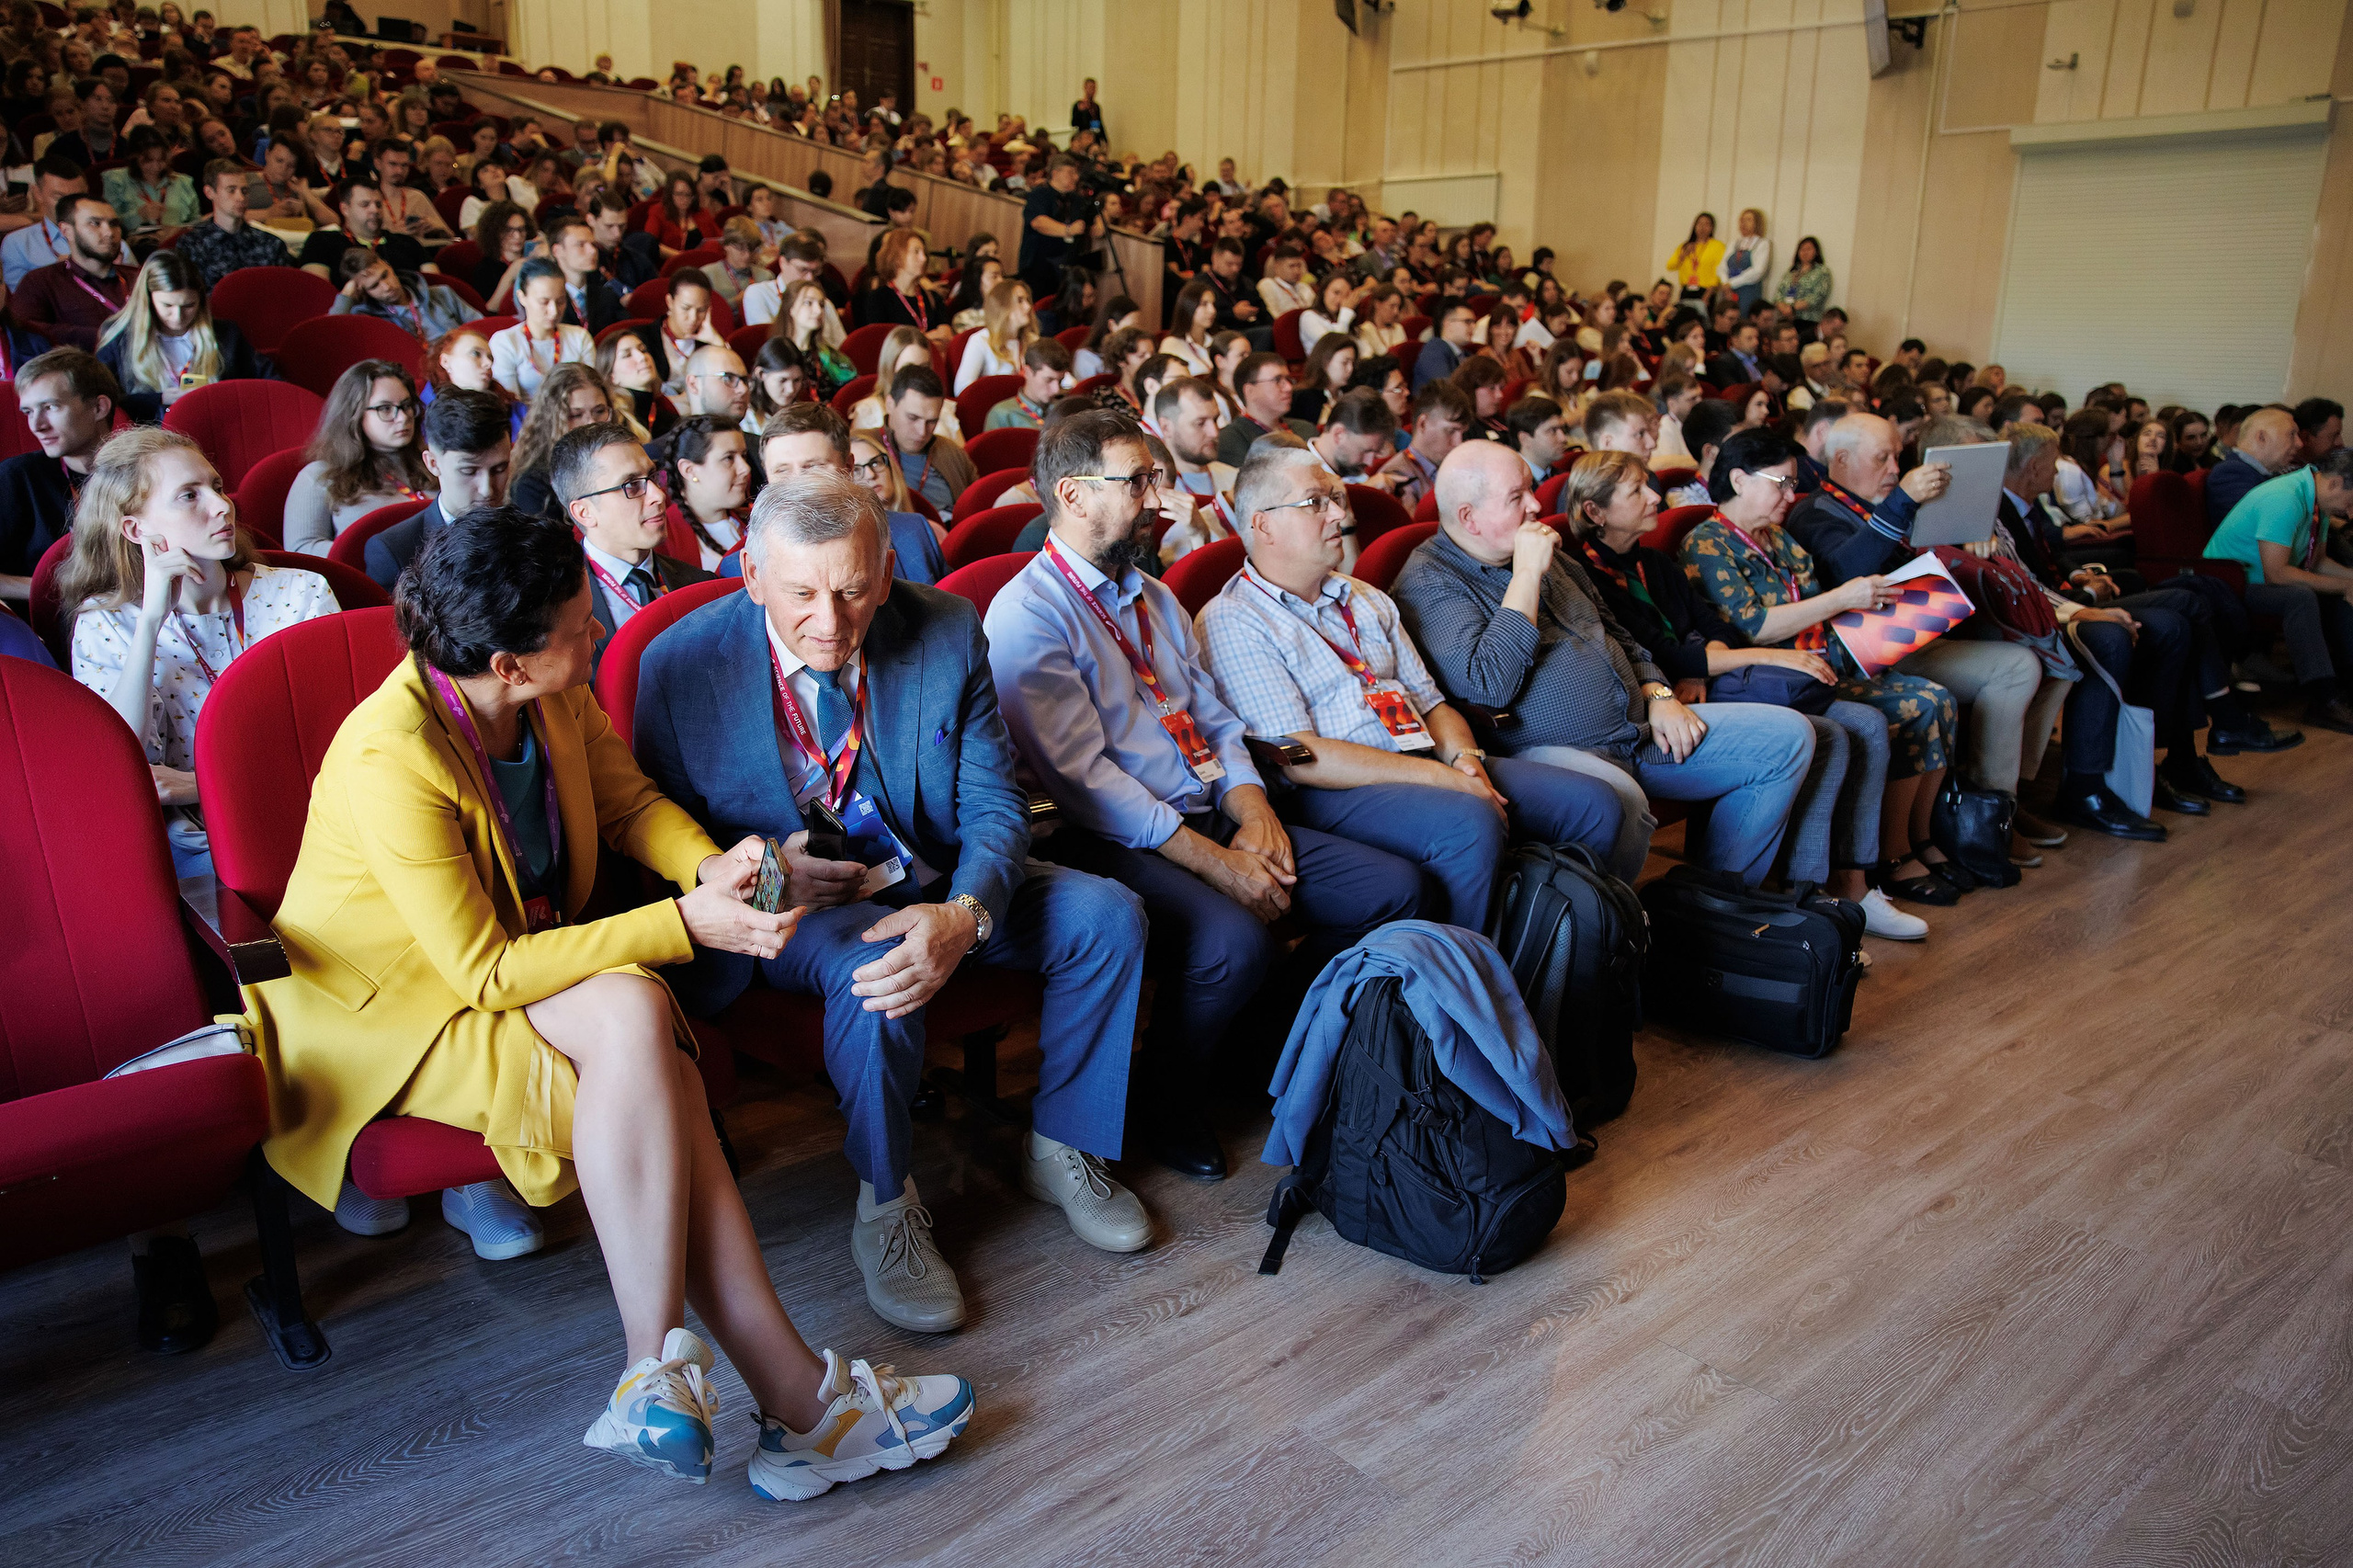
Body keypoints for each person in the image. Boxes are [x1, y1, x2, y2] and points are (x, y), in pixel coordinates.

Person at [244, 503, 972, 1498]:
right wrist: (687, 924)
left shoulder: (548, 697)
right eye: (579, 626)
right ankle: (799, 1404)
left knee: (633, 1010)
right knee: (655, 1048)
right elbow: (484, 974)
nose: (598, 635)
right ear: (505, 662)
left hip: (521, 963)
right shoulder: (389, 756)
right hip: (395, 1010)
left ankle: (660, 1371)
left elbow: (629, 803)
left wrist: (712, 868)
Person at [637, 466, 1154, 1331]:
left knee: (1108, 917)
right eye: (800, 592)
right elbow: (662, 843)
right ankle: (887, 1203)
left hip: (933, 876)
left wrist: (967, 915)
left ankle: (1065, 1144)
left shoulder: (947, 628)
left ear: (884, 572)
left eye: (851, 590)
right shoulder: (678, 664)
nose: (829, 622)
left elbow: (993, 804)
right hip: (794, 907)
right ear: (751, 575)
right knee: (880, 966)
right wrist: (769, 871)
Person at [983, 410, 1422, 1178]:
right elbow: (1086, 783)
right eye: (1140, 480)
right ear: (1074, 496)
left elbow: (1215, 720)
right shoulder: (1029, 615)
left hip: (1211, 806)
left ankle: (1254, 1047)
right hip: (1109, 836)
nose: (1160, 497)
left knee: (1392, 889)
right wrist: (1218, 865)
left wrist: (1253, 812)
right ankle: (1166, 1094)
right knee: (1233, 940)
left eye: (1157, 477)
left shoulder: (1151, 596)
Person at [1196, 441, 1623, 929]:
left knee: (1594, 804)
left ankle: (1563, 956)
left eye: (1335, 499)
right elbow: (1304, 758)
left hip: (1421, 762)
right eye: (1316, 502)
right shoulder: (1234, 619)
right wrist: (1446, 780)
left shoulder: (1365, 598)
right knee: (1468, 822)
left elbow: (1433, 705)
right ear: (1263, 524)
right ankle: (1460, 983)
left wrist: (1465, 760)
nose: (1339, 513)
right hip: (1332, 790)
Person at [1392, 440, 1815, 887]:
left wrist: (1658, 692)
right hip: (1544, 753)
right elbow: (1488, 685)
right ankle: (1617, 931)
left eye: (1531, 490)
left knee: (1787, 739)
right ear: (1468, 518)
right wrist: (1526, 577)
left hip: (1639, 730)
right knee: (1618, 798)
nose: (1537, 506)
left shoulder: (1544, 552)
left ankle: (1716, 902)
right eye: (1517, 498)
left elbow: (1619, 634)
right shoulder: (1430, 581)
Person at [1563, 450, 1924, 937]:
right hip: (1650, 711)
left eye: (1651, 485)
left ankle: (1832, 887)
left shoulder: (1651, 562)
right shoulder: (1586, 575)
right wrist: (1759, 658)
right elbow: (1660, 654)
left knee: (1856, 727)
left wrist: (1703, 665)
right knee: (1830, 732)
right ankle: (1761, 899)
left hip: (1699, 688)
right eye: (1637, 491)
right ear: (1595, 512)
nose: (1655, 497)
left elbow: (1715, 631)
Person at [1678, 427, 1964, 912]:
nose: (1792, 495)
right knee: (1896, 712)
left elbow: (1812, 607)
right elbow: (1756, 626)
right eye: (1781, 483)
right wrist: (1844, 597)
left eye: (1793, 484)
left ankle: (1901, 849)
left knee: (1936, 699)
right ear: (1739, 480)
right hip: (1767, 681)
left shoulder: (1778, 537)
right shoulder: (1708, 543)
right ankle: (1860, 875)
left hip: (1819, 664)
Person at [60, 425, 339, 877]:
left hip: (317, 813)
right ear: (136, 528)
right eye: (189, 496)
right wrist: (151, 622)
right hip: (194, 841)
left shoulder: (300, 593)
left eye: (216, 486)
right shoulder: (106, 623)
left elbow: (333, 743)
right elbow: (124, 767)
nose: (221, 506)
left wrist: (199, 785)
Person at [2205, 446, 2353, 733]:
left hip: (2258, 580)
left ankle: (2344, 686)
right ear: (2335, 483)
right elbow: (2277, 574)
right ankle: (2324, 698)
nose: (2350, 512)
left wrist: (2350, 579)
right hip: (2227, 586)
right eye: (2351, 502)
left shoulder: (2317, 500)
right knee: (2300, 597)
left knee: (2337, 594)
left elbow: (2318, 562)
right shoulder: (2284, 498)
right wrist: (2345, 584)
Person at [546, 421, 713, 672]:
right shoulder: (553, 604)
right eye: (632, 485)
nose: (658, 495)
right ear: (584, 512)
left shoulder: (700, 585)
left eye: (653, 477)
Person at [753, 402, 948, 585]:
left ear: (848, 467)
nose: (796, 485)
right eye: (782, 471)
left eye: (813, 468)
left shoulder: (914, 532)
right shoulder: (744, 567)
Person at [362, 389, 513, 590]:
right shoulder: (395, 553)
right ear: (433, 463)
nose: (487, 489)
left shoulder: (533, 535)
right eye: (469, 471)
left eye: (500, 469)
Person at [1, 349, 119, 603]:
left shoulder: (143, 471)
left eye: (50, 407)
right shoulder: (18, 477)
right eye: (29, 412)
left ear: (99, 407)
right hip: (48, 626)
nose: (36, 426)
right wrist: (51, 591)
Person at [283, 359, 432, 554]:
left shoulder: (433, 462)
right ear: (354, 414)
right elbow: (302, 549)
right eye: (385, 409)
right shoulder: (320, 476)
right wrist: (382, 555)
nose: (403, 417)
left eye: (406, 405)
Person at [92, 249, 262, 420]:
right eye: (167, 306)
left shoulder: (227, 334)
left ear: (201, 301)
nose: (178, 317)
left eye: (189, 306)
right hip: (147, 434)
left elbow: (264, 381)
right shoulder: (119, 338)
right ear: (148, 300)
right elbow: (103, 400)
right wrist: (159, 399)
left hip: (215, 424)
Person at [14, 193, 136, 351]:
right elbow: (27, 333)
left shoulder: (138, 277)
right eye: (95, 223)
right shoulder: (40, 282)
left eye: (114, 224)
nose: (109, 233)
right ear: (66, 231)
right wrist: (105, 336)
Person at [507, 362, 624, 524]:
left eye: (599, 411)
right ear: (552, 420)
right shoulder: (531, 485)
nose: (591, 423)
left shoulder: (621, 462)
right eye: (576, 415)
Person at [1153, 376, 1240, 565]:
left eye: (1216, 420)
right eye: (1200, 423)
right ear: (1166, 427)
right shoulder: (1157, 494)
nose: (1214, 432)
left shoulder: (1235, 478)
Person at [174, 155, 294, 287]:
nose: (241, 198)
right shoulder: (192, 245)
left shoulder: (271, 244)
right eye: (231, 190)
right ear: (209, 193)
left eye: (244, 190)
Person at [491, 257, 595, 403]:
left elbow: (591, 393)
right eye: (544, 302)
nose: (553, 311)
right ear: (522, 297)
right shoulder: (505, 342)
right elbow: (511, 405)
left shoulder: (579, 337)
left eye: (560, 302)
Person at [879, 363, 973, 516]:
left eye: (932, 421)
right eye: (913, 418)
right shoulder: (865, 449)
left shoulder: (953, 453)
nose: (922, 432)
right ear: (890, 405)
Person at [332, 248, 479, 343]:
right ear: (363, 292)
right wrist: (346, 297)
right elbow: (331, 335)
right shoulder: (367, 318)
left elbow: (482, 327)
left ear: (388, 265)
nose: (386, 286)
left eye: (385, 275)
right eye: (374, 286)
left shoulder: (442, 294)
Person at [297, 177, 427, 282]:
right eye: (365, 204)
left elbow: (435, 291)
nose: (375, 210)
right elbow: (318, 291)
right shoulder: (321, 242)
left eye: (378, 204)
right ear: (345, 209)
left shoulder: (408, 243)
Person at [1375, 378, 1473, 510]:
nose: (1459, 442)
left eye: (1462, 433)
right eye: (1451, 431)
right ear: (1423, 424)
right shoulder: (1395, 478)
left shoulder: (1459, 468)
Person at [1017, 154, 1103, 301]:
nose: (1075, 178)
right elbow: (1038, 222)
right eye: (1070, 173)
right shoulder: (1039, 194)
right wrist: (1068, 230)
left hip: (1068, 266)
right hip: (1039, 266)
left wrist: (1099, 221)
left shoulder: (1076, 199)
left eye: (1076, 173)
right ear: (1055, 173)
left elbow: (1094, 212)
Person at [2205, 404, 2302, 527]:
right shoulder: (2230, 473)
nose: (2299, 444)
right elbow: (2258, 525)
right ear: (2261, 437)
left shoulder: (2262, 473)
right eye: (2291, 434)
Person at [1215, 351, 1313, 468]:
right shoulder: (1231, 439)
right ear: (1250, 391)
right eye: (1277, 381)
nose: (1288, 387)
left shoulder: (1305, 429)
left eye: (1288, 379)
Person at [101, 125, 199, 242]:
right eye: (148, 161)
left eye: (161, 160)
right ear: (134, 158)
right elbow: (109, 222)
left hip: (178, 243)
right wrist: (139, 216)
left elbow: (195, 221)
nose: (156, 167)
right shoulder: (116, 180)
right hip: (137, 245)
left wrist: (178, 230)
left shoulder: (183, 182)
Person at [856, 229, 947, 343]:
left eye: (924, 253)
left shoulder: (932, 297)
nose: (923, 258)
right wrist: (928, 338)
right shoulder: (878, 299)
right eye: (916, 252)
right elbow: (884, 342)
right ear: (897, 257)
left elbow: (946, 335)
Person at [546, 212, 628, 335]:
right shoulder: (546, 300)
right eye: (581, 245)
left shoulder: (607, 296)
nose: (592, 251)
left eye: (593, 244)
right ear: (557, 251)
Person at [953, 278, 1037, 392]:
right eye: (1020, 301)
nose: (1028, 307)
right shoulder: (980, 341)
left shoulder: (1033, 341)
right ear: (1002, 306)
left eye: (1027, 300)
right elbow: (962, 389)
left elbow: (1060, 377)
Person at [654, 269, 726, 396]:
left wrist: (717, 342)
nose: (693, 318)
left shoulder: (708, 342)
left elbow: (730, 382)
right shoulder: (646, 338)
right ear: (670, 302)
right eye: (686, 308)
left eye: (701, 310)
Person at [984, 338, 1074, 431]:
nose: (1056, 390)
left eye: (1060, 381)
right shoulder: (1003, 415)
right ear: (1027, 372)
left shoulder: (1064, 411)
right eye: (1048, 380)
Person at [1506, 395, 1570, 485]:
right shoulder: (1511, 483)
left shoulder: (1564, 479)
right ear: (1525, 439)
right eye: (1552, 431)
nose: (1563, 438)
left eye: (1562, 429)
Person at [1721, 209, 1770, 313]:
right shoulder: (1734, 243)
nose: (1744, 223)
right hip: (1728, 291)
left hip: (1748, 291)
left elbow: (1758, 271)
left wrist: (1732, 283)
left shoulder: (1762, 243)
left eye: (1748, 220)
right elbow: (1722, 266)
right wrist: (1726, 283)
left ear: (1757, 223)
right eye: (1742, 220)